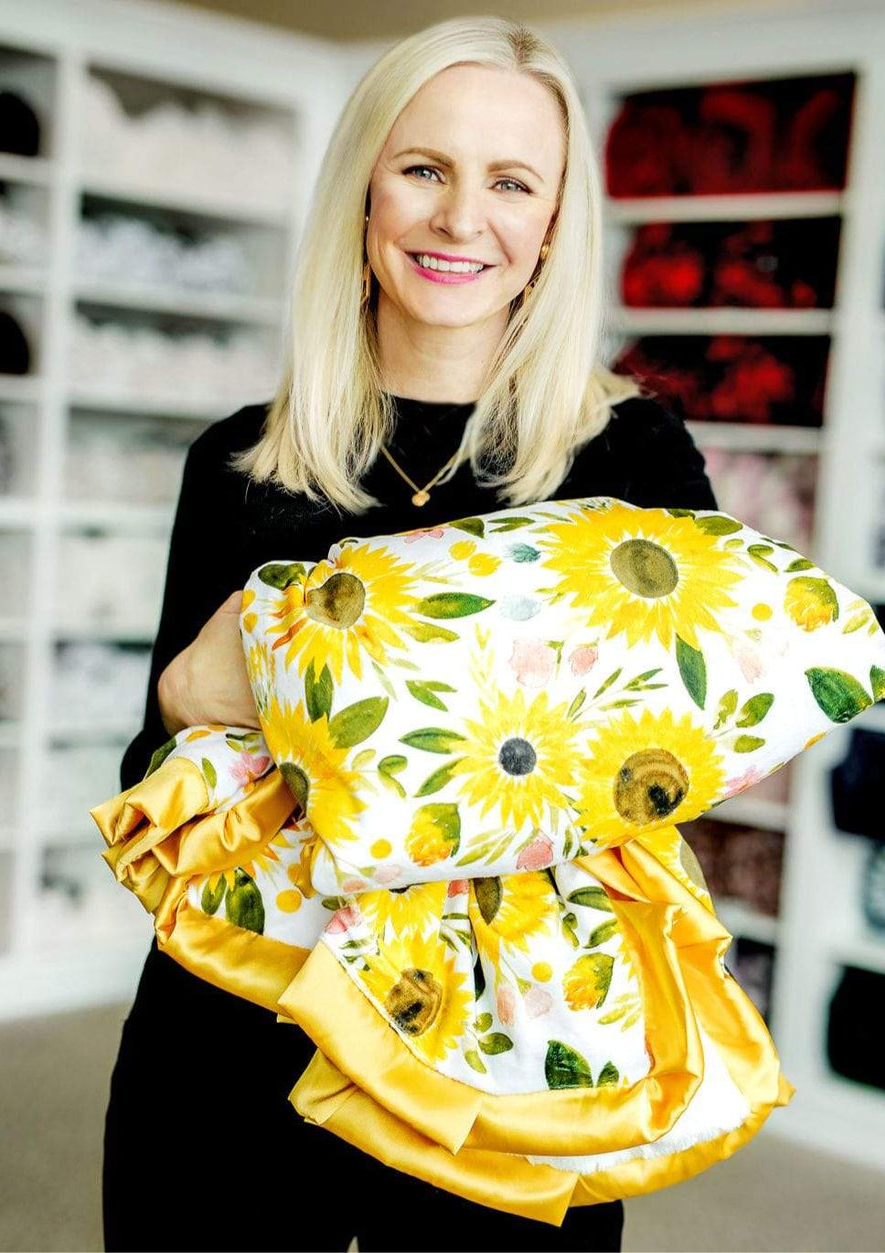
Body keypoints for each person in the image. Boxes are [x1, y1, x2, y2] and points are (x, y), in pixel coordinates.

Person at [102, 16, 718, 1252]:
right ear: (363, 188)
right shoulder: (239, 460)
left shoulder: (633, 457)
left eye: (509, 182)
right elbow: (151, 798)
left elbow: (678, 770)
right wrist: (181, 693)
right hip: (242, 1023)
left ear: (551, 224)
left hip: (510, 1055)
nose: (458, 219)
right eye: (423, 168)